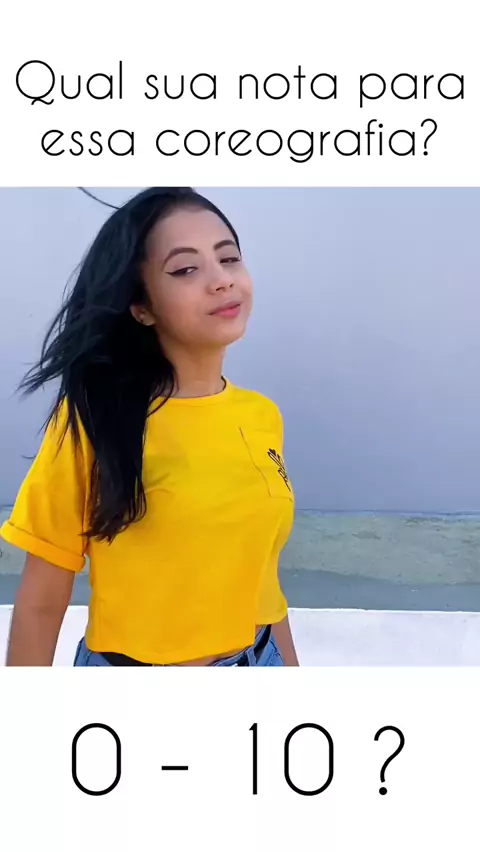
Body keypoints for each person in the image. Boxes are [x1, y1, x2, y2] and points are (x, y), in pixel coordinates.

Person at [1, 187, 298, 667]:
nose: (221, 280)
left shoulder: (261, 416)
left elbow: (263, 582)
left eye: (229, 258)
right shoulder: (96, 420)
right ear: (142, 307)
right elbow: (41, 602)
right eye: (186, 269)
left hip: (259, 660)